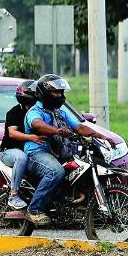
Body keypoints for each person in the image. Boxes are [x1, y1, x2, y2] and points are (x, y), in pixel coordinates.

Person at [23, 74, 100, 227]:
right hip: (36, 153)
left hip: (57, 153)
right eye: (56, 92)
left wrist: (103, 137)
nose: (60, 96)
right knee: (55, 172)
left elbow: (79, 127)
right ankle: (34, 210)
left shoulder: (61, 112)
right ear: (45, 93)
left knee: (79, 170)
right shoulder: (34, 111)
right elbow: (37, 124)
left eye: (61, 92)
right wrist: (56, 130)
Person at [0, 80, 41, 213]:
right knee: (22, 158)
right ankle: (13, 194)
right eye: (28, 103)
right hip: (10, 151)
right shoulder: (14, 112)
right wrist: (32, 137)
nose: (30, 107)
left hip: (32, 152)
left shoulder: (39, 113)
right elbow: (12, 133)